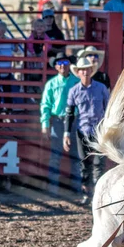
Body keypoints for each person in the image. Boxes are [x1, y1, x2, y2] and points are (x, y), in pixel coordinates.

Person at [63, 54, 110, 205]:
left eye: (87, 69)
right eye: (82, 70)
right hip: (82, 131)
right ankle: (86, 194)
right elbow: (69, 113)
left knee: (98, 163)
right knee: (84, 163)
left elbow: (108, 110)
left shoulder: (102, 88)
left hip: (99, 131)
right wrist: (66, 133)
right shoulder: (74, 91)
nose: (84, 72)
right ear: (77, 72)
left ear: (91, 71)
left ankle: (98, 195)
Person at [40, 52, 80, 196]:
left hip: (74, 121)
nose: (63, 66)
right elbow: (45, 105)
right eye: (60, 64)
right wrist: (45, 125)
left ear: (69, 65)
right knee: (55, 156)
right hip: (57, 121)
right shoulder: (51, 84)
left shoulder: (76, 82)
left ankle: (77, 190)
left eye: (65, 63)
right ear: (56, 67)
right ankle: (53, 190)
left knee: (76, 156)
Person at [0, 21, 19, 107]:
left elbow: (16, 49)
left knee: (7, 90)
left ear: (2, 30)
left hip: (6, 70)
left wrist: (16, 43)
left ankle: (8, 108)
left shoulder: (9, 40)